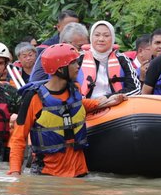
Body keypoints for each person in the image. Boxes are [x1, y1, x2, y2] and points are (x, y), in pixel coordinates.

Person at [9, 43, 127, 177]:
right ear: (60, 69)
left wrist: (107, 101)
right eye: (73, 63)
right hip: (48, 176)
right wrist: (15, 174)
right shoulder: (34, 98)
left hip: (79, 173)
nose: (78, 66)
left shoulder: (74, 91)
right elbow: (18, 139)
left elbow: (80, 105)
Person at [77, 20, 140, 99]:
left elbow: (135, 89)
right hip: (86, 105)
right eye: (97, 35)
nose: (101, 39)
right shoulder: (79, 59)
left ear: (113, 38)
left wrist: (109, 97)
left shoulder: (122, 59)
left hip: (116, 105)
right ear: (91, 37)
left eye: (106, 35)